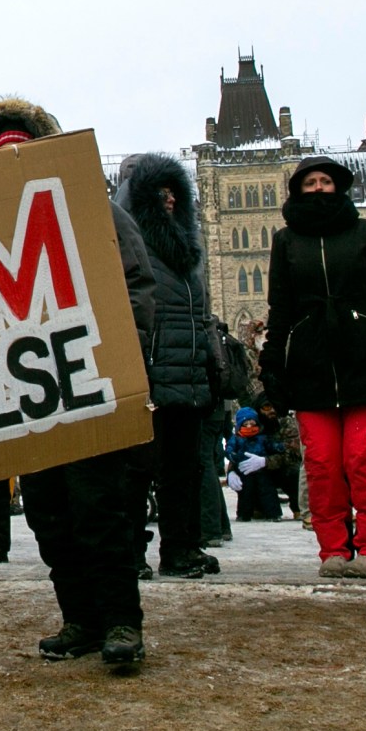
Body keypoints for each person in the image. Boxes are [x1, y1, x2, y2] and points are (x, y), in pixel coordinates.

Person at [0, 99, 159, 663]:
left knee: (98, 509)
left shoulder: (86, 205)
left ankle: (123, 623)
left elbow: (137, 285)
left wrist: (123, 354)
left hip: (86, 380)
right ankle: (80, 619)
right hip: (27, 393)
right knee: (49, 513)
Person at [263, 157, 366, 579]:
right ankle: (333, 550)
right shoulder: (286, 241)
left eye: (326, 181)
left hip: (364, 359)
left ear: (338, 187)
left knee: (363, 457)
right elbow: (280, 309)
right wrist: (272, 363)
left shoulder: (362, 233)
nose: (319, 188)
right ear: (298, 189)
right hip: (311, 365)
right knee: (323, 464)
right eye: (310, 182)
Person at [118, 153, 225, 580]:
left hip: (187, 376)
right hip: (148, 374)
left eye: (172, 192)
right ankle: (130, 552)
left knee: (183, 471)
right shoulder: (128, 242)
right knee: (135, 474)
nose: (167, 200)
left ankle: (181, 548)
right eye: (158, 193)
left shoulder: (187, 248)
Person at [225, 407, 283, 520]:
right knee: (245, 492)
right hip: (244, 469)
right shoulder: (237, 438)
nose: (249, 427)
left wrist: (278, 447)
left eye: (252, 423)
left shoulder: (262, 437)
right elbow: (229, 449)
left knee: (267, 491)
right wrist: (233, 456)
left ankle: (273, 513)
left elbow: (270, 445)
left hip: (261, 469)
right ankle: (244, 514)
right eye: (245, 424)